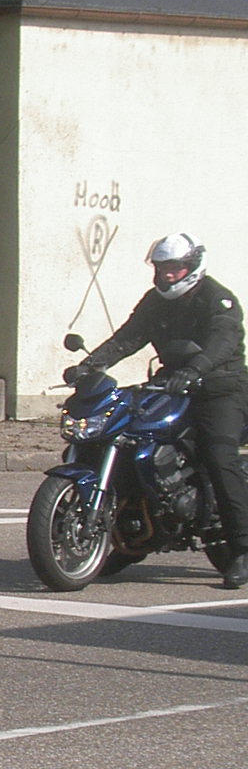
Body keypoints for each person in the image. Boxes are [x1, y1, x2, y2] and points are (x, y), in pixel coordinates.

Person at [64, 233, 248, 589]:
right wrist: (89, 366)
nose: (167, 275)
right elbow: (128, 337)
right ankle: (122, 538)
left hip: (220, 387)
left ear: (191, 267)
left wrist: (196, 370)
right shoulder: (155, 301)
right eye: (162, 268)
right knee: (124, 437)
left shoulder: (218, 299)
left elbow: (222, 342)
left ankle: (242, 549)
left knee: (217, 454)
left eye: (174, 268)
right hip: (172, 382)